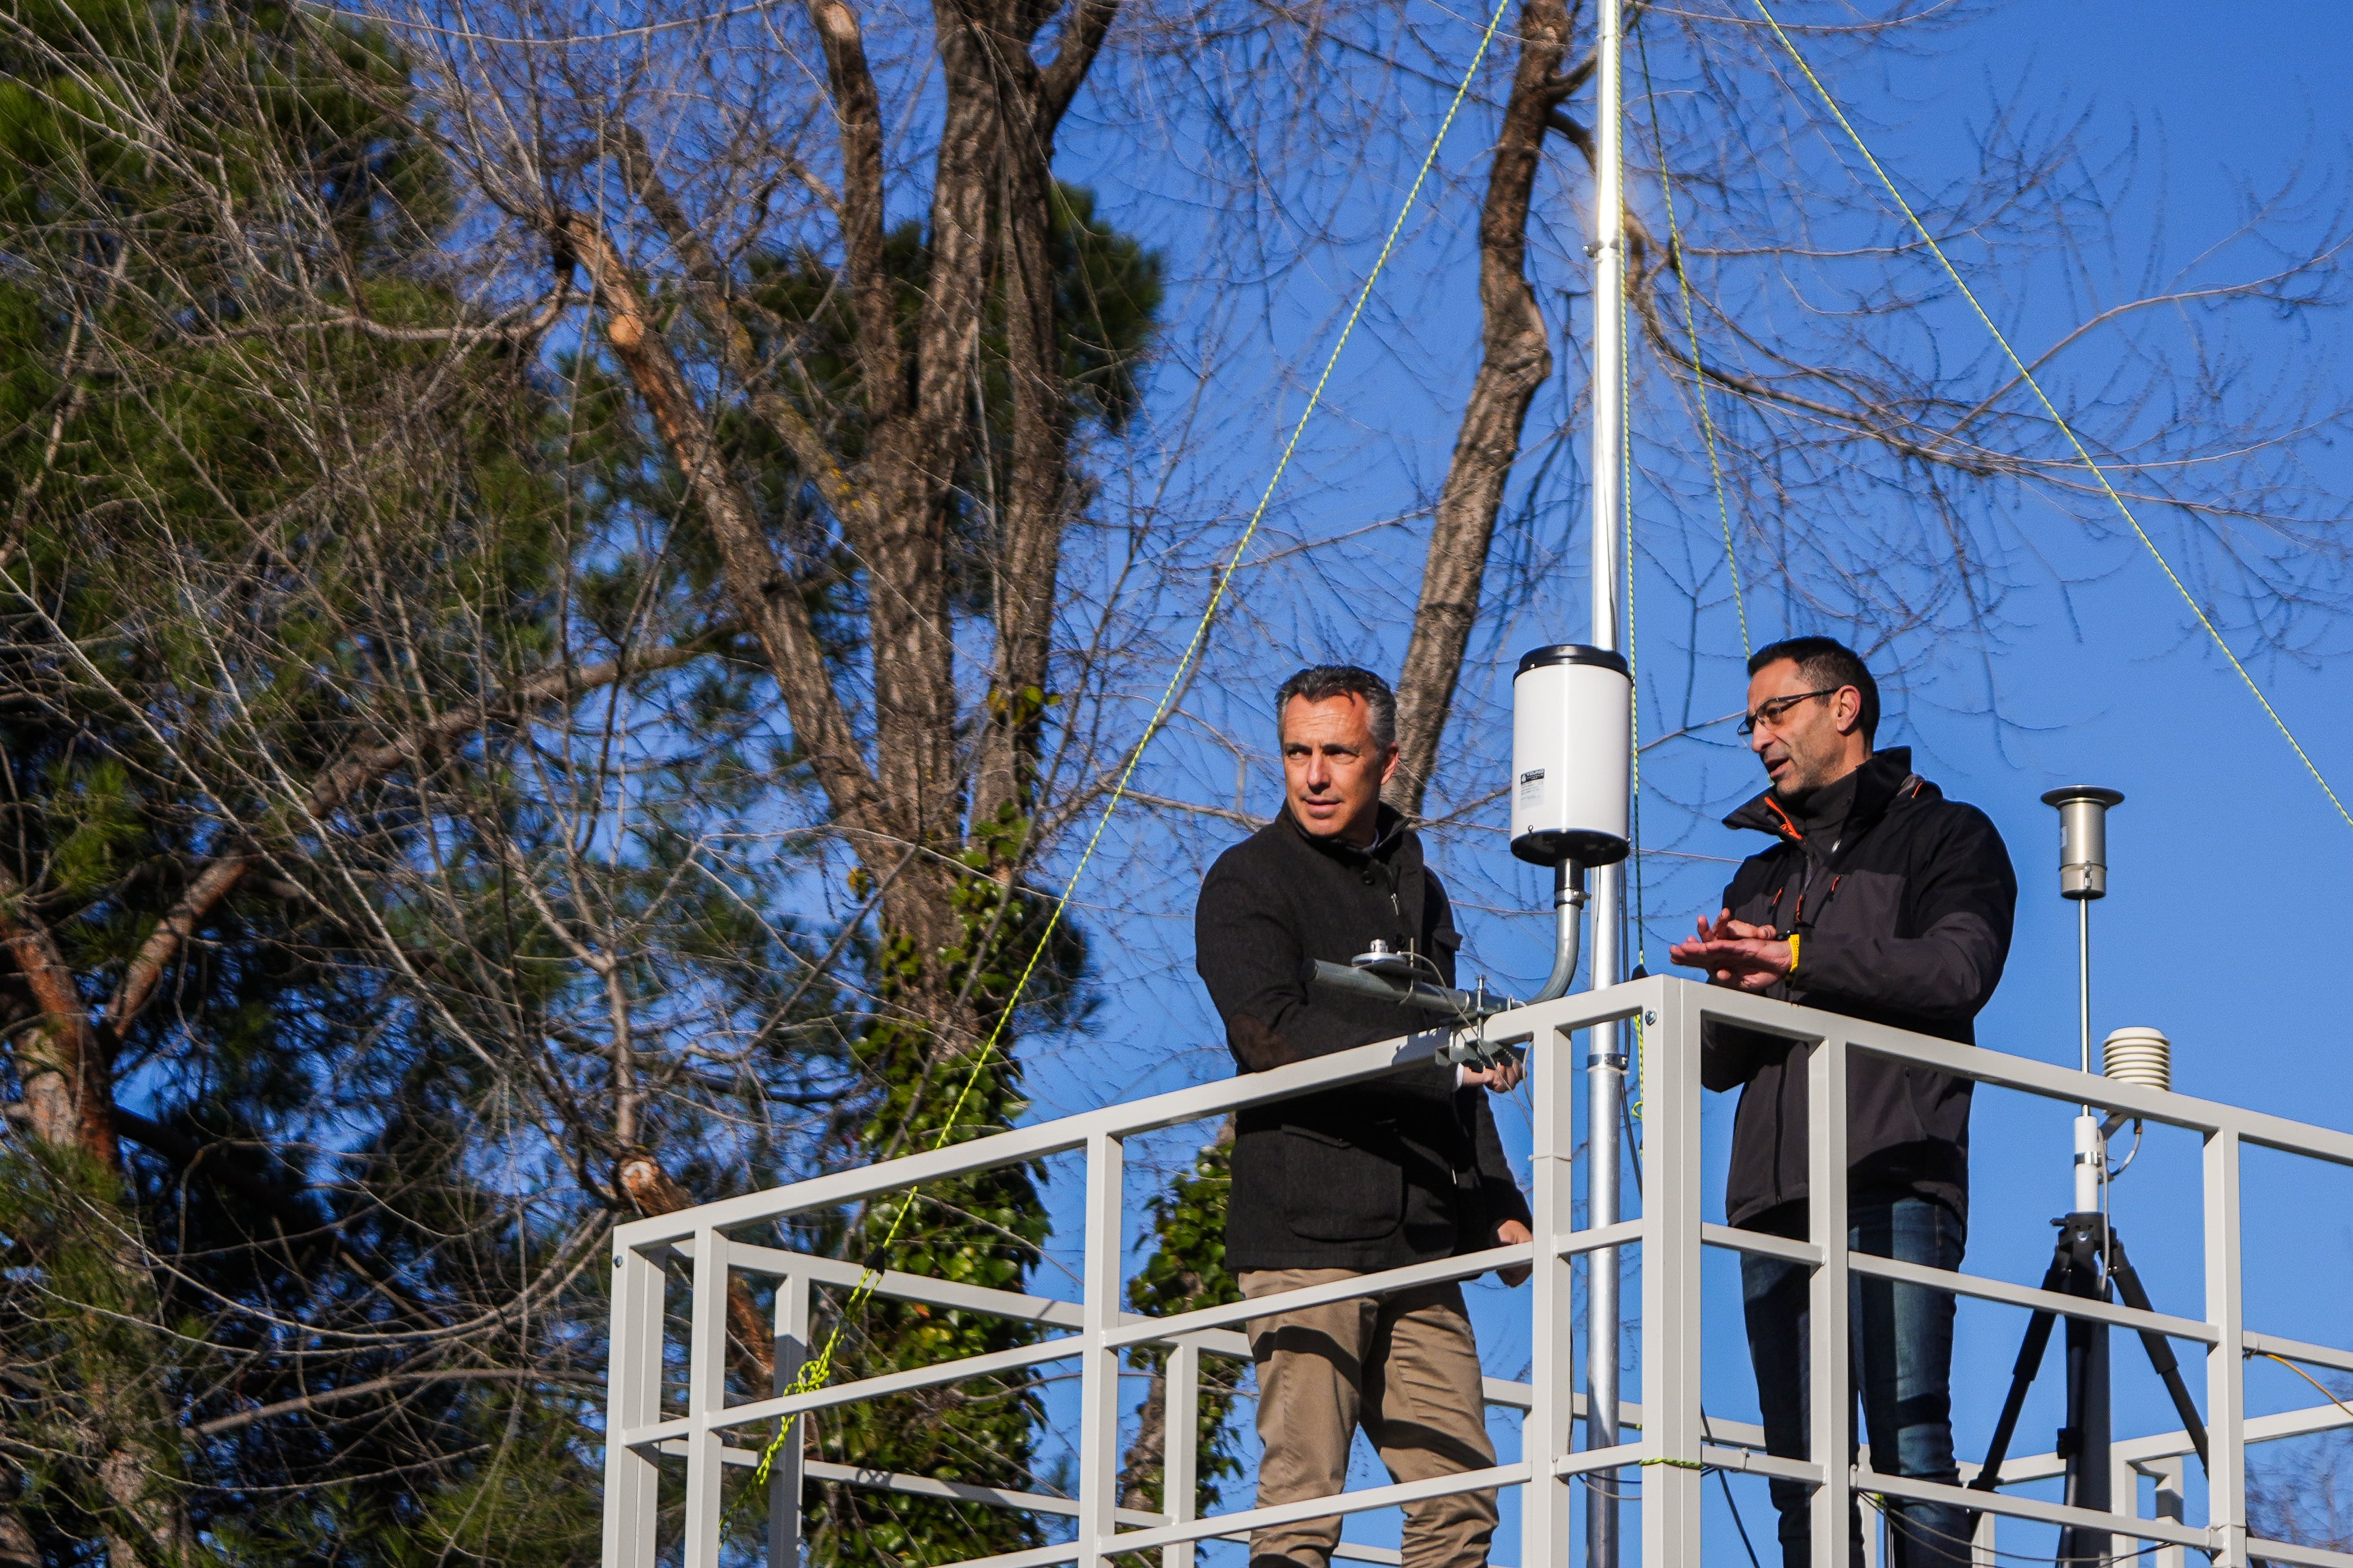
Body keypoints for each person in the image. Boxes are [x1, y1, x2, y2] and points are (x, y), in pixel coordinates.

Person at [1668, 638, 2016, 1568]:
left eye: (1774, 712)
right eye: (1750, 721)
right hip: (1774, 1198)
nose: (1757, 738)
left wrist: (1789, 959)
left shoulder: (1949, 837)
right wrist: (1719, 997)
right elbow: (1714, 1064)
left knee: (1908, 1450)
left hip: (1893, 1174)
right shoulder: (1760, 873)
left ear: (1844, 707)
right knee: (1799, 1475)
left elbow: (1955, 973)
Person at [1195, 665, 1530, 1568]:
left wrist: (1492, 1198)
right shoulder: (1247, 879)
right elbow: (1268, 1032)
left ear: (1384, 760)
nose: (1312, 775)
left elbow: (1453, 1043)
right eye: (1297, 752)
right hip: (1304, 1233)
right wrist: (1437, 1071)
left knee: (1457, 1504)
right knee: (1301, 1505)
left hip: (1422, 1236)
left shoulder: (1417, 883)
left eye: (1335, 753)